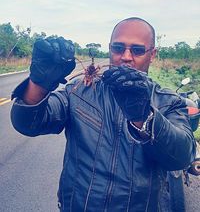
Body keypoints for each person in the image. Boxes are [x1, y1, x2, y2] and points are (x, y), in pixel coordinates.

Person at [10, 17, 196, 212]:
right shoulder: (78, 91)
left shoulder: (168, 102)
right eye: (118, 48)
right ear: (109, 49)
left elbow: (182, 157)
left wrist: (144, 117)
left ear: (152, 55)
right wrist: (39, 83)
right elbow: (28, 124)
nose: (126, 56)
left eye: (137, 50)